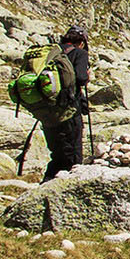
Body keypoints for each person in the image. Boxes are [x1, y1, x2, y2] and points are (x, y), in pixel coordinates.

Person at [41, 23, 92, 181]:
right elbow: (81, 78)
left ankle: (46, 184)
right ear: (82, 43)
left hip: (47, 111)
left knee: (57, 154)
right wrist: (87, 76)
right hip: (69, 111)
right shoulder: (80, 53)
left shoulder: (51, 53)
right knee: (73, 156)